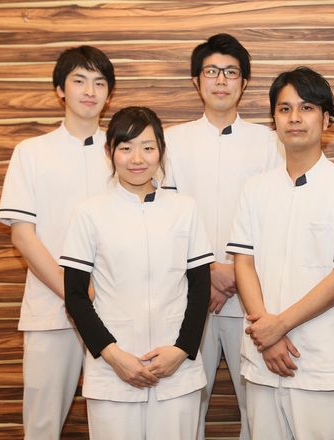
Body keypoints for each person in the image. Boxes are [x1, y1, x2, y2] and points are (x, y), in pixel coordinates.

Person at [227, 67, 334, 440]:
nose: (294, 117)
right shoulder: (255, 189)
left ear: (325, 120)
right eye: (284, 109)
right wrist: (267, 331)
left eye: (306, 107)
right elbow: (244, 264)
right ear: (274, 121)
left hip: (322, 363)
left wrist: (280, 325)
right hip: (263, 357)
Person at [59, 106, 214, 439]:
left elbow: (200, 288)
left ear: (161, 151)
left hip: (176, 369)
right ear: (109, 152)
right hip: (113, 370)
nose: (137, 159)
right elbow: (75, 296)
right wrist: (114, 356)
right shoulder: (89, 213)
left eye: (147, 147)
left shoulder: (185, 209)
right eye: (126, 148)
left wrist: (182, 349)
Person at [163, 33, 283, 440]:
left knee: (258, 402)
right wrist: (208, 270)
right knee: (186, 401)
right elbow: (166, 218)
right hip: (187, 294)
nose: (220, 80)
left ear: (244, 83)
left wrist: (233, 271)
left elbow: (276, 216)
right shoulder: (170, 142)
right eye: (211, 71)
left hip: (252, 297)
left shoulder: (270, 143)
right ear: (196, 81)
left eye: (230, 72)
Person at [0, 45, 115, 440]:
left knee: (115, 421)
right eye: (79, 81)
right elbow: (22, 235)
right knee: (43, 425)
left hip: (114, 310)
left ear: (109, 94)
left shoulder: (125, 153)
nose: (90, 91)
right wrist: (74, 293)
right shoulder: (31, 153)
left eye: (99, 83)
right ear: (60, 89)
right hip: (52, 310)